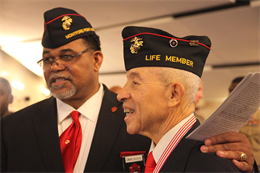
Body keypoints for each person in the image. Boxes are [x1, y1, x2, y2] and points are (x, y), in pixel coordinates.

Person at [0, 7, 256, 173]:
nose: (55, 66)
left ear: (97, 60)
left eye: (67, 56)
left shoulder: (142, 123)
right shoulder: (12, 128)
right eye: (47, 59)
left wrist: (246, 166)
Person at [117, 26, 259, 173]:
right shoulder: (150, 147)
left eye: (135, 82)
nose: (121, 94)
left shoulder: (210, 166)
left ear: (174, 94)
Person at [229, 76, 260, 170]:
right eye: (230, 91)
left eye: (237, 91)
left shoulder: (258, 115)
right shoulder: (225, 117)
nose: (232, 95)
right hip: (233, 166)